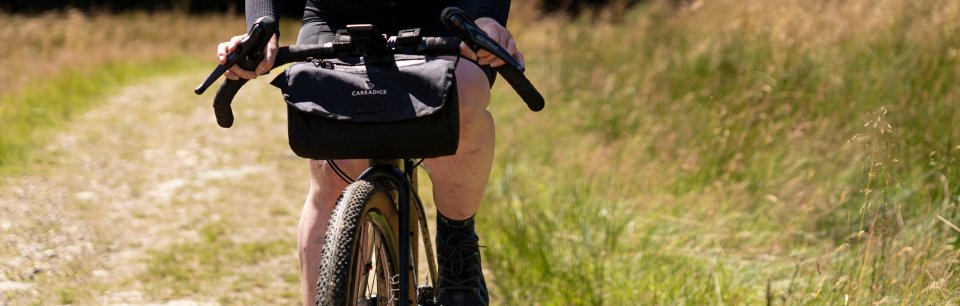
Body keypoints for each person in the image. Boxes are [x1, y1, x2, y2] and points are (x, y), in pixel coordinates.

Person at [216, 1, 524, 305]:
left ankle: (457, 242)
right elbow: (263, 21)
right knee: (332, 168)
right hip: (336, 18)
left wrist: (489, 18)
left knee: (465, 96)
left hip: (441, 16)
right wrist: (262, 25)